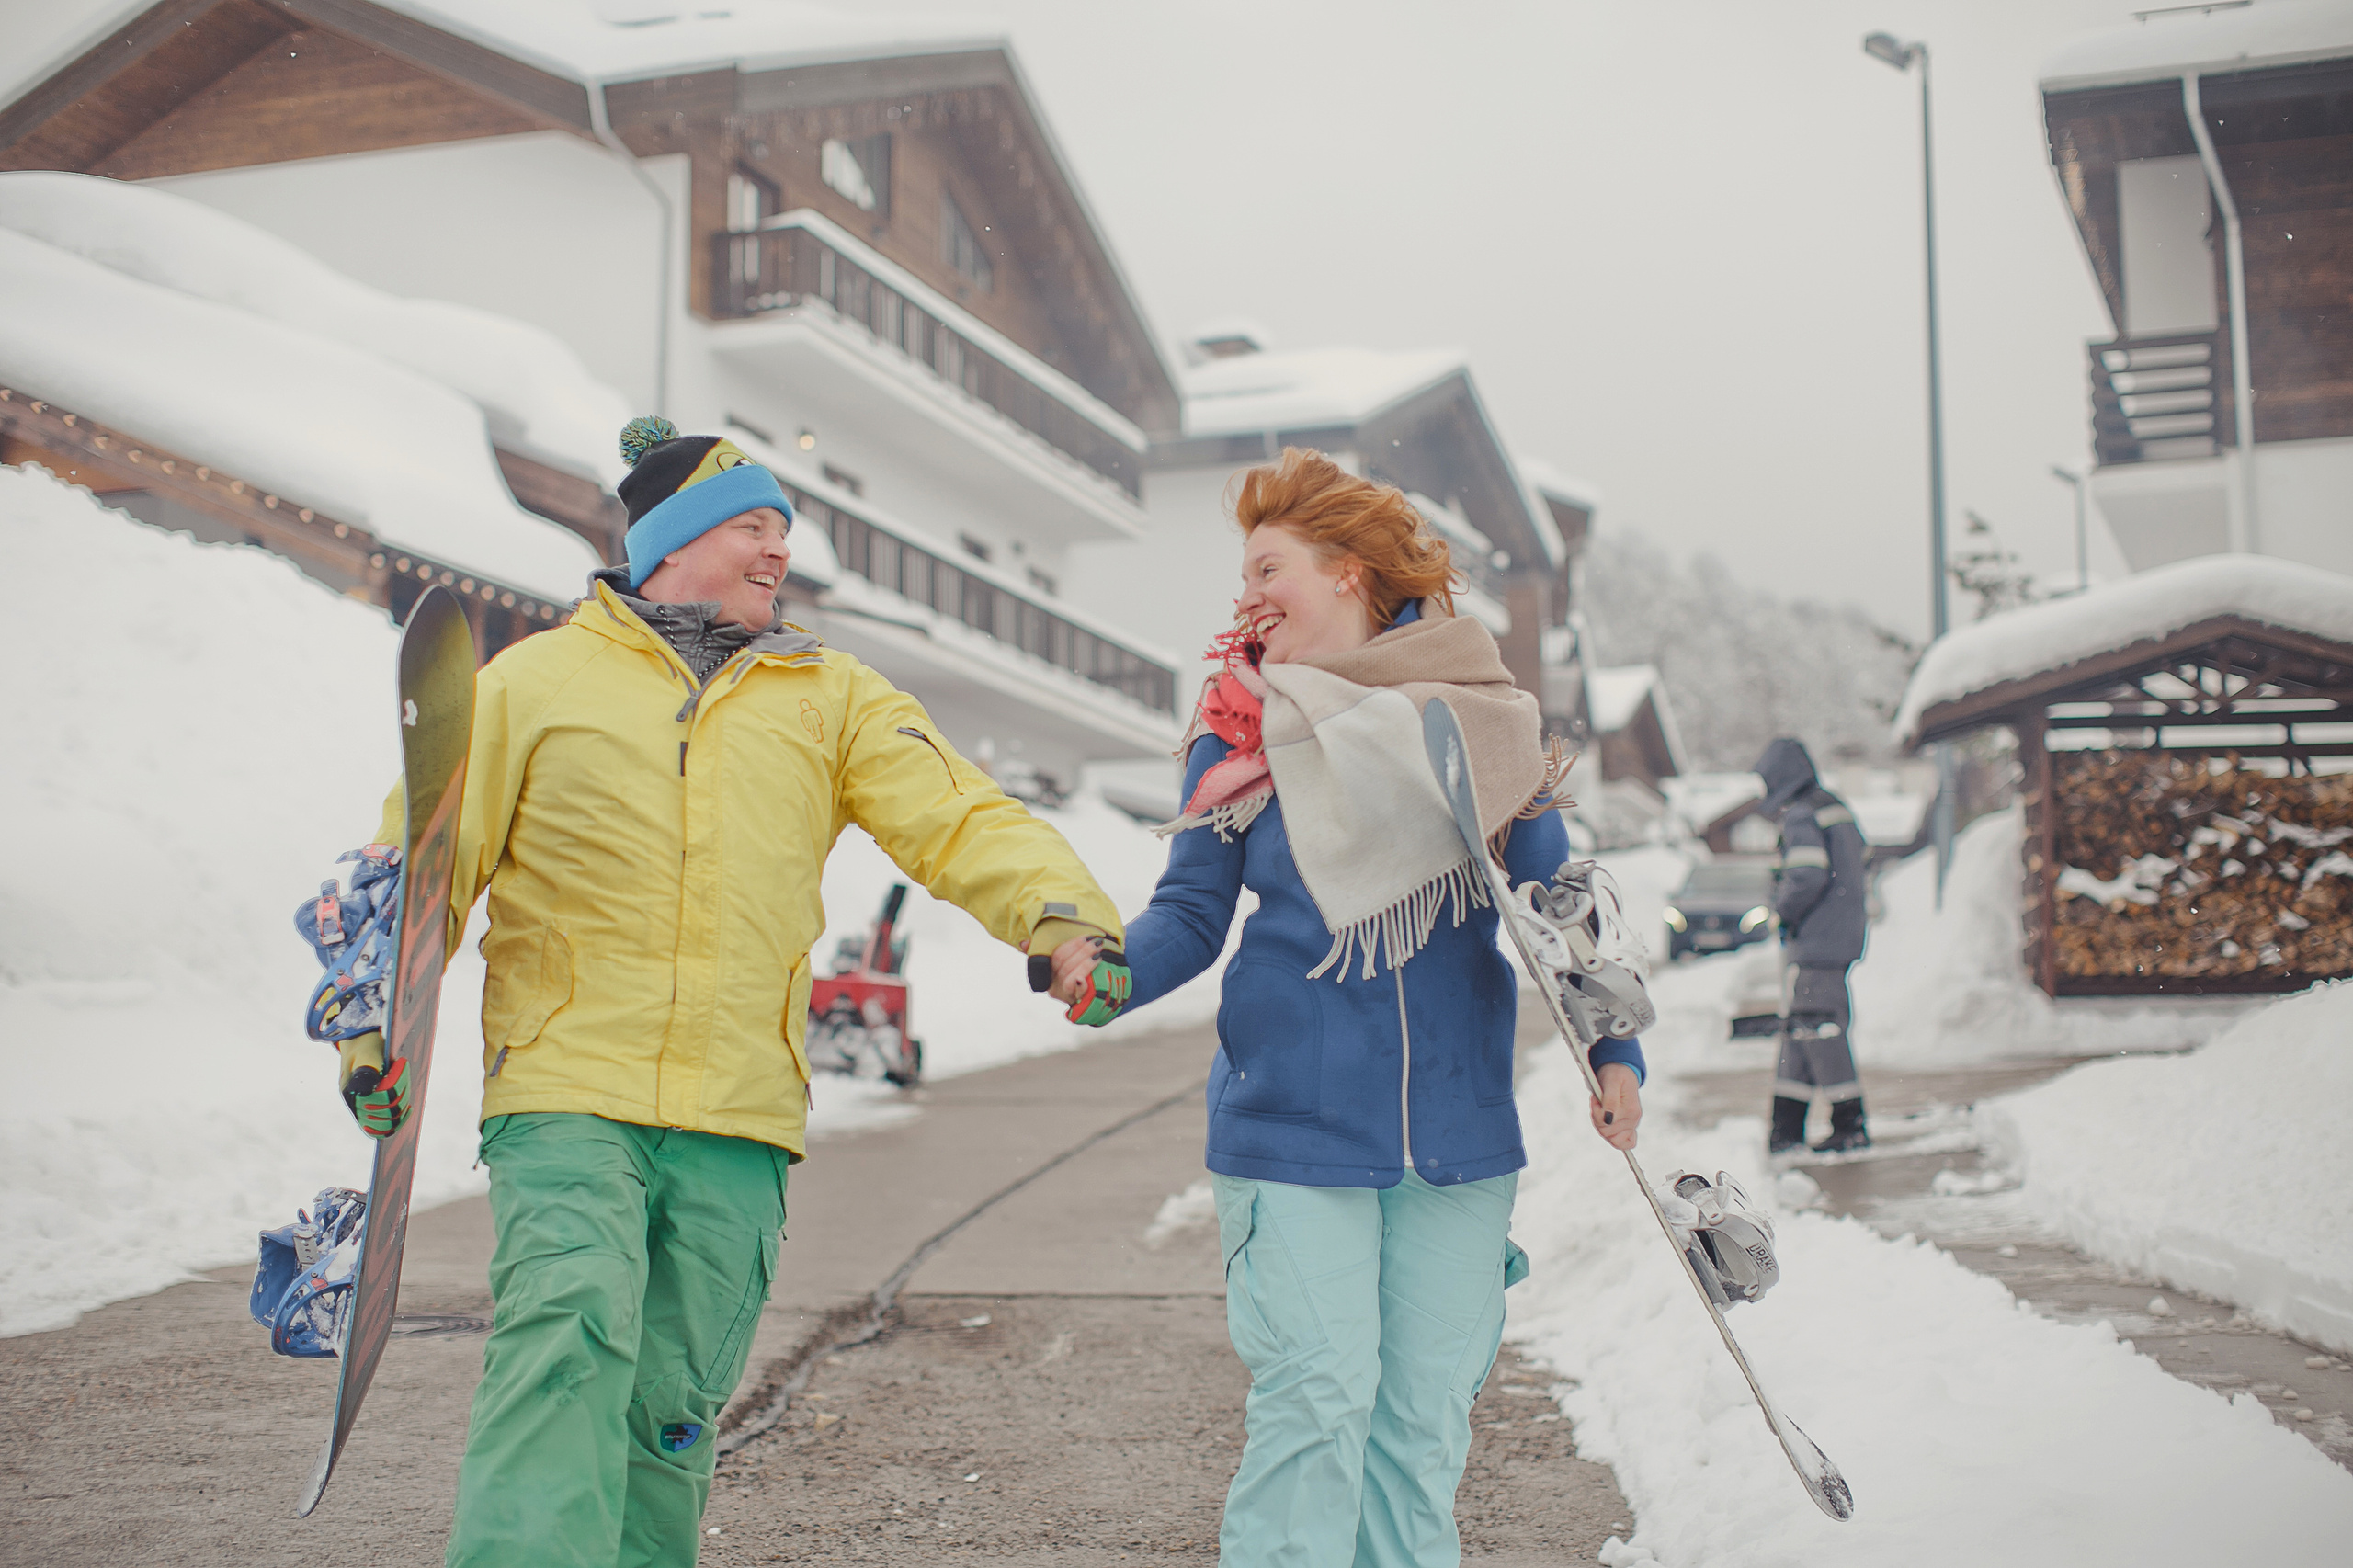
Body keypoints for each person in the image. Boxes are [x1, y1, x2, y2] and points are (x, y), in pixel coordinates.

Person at [323, 417, 1126, 1568]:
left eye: (781, 531)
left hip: (739, 1107)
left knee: (672, 1405)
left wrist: (1062, 916)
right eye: (752, 525)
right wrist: (370, 1021)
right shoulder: (534, 683)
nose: (777, 550)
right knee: (565, 1338)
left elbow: (960, 814)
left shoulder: (830, 696)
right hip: (567, 1084)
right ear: (672, 541)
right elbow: (422, 867)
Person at [1049, 448, 1645, 1568]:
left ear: (1348, 572)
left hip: (1458, 1133)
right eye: (1243, 573)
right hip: (1291, 1121)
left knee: (1419, 1428)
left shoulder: (1476, 719)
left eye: (1266, 567)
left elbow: (1556, 903)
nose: (1246, 595)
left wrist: (1616, 1047)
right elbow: (1190, 910)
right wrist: (1108, 970)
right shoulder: (1237, 729)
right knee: (1317, 1397)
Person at [1754, 736, 1870, 1156]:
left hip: (1819, 940)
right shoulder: (1831, 806)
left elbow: (1806, 875)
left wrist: (1782, 911)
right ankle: (1786, 1127)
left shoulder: (1802, 814)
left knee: (1820, 1029)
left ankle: (1849, 1124)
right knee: (1803, 1029)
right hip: (1838, 935)